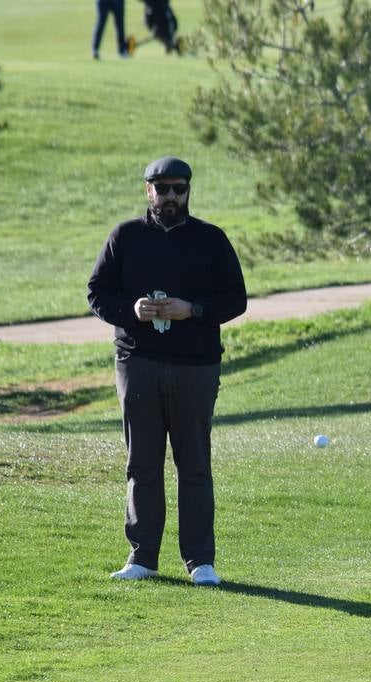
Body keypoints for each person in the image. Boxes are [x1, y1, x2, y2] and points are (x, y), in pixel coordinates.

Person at [87, 156, 247, 586]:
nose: (172, 196)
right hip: (138, 362)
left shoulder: (211, 240)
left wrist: (192, 310)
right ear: (148, 191)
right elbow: (97, 292)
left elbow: (236, 299)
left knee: (194, 463)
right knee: (142, 463)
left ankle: (200, 561)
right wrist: (130, 311)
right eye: (164, 189)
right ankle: (142, 557)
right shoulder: (126, 236)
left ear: (188, 191)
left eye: (180, 188)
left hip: (195, 366)